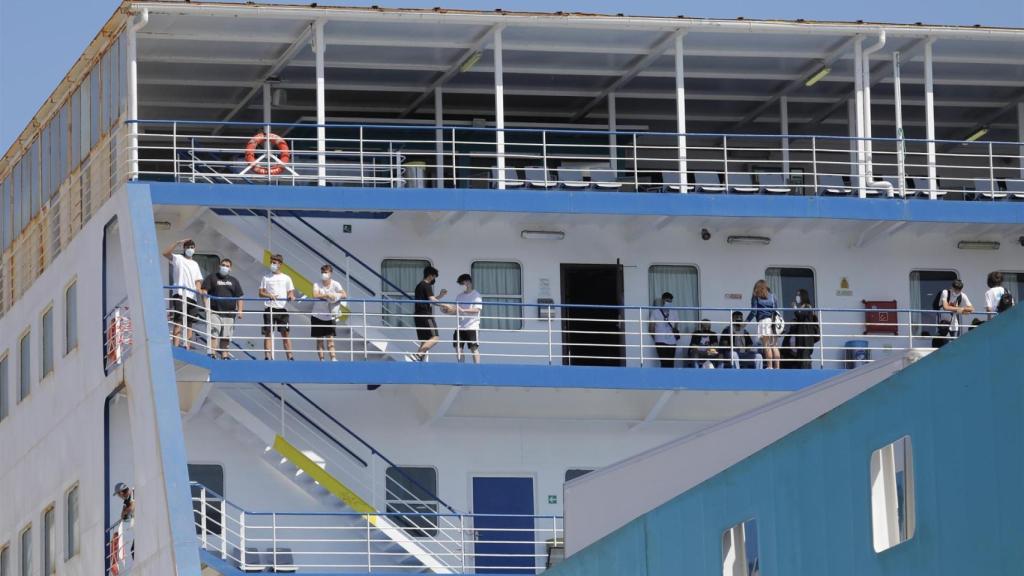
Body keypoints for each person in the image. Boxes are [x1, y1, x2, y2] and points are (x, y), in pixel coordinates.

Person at [163, 238, 203, 349]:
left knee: (190, 323)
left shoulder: (195, 264)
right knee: (178, 321)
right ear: (184, 248)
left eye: (192, 247)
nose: (190, 249)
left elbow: (198, 280)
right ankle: (175, 346)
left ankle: (187, 346)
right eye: (188, 247)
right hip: (180, 294)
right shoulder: (178, 258)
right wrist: (177, 242)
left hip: (192, 297)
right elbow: (165, 253)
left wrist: (199, 290)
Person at [200, 258, 244, 359]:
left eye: (227, 266)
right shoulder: (212, 277)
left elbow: (239, 296)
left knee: (226, 336)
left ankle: (225, 356)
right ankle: (212, 354)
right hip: (215, 311)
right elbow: (204, 291)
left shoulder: (234, 281)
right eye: (223, 265)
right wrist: (206, 306)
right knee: (214, 333)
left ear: (230, 269)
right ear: (220, 266)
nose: (225, 267)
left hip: (229, 313)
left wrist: (240, 310)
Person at [258, 254, 296, 360]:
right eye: (271, 262)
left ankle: (290, 357)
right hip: (269, 308)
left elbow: (291, 292)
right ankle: (267, 356)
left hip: (282, 309)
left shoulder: (286, 278)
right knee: (268, 333)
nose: (272, 264)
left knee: (285, 333)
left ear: (280, 264)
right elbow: (260, 293)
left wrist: (291, 296)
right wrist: (269, 295)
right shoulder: (266, 277)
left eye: (274, 263)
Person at [412, 266, 449, 361]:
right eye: (434, 277)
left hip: (418, 316)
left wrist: (440, 296)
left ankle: (418, 360)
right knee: (435, 337)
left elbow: (428, 299)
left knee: (425, 341)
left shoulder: (419, 285)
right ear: (430, 275)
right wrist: (444, 305)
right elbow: (432, 300)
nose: (434, 279)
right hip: (425, 315)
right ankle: (418, 355)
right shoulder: (426, 285)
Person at [312, 264, 347, 362]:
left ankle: (333, 359)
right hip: (317, 315)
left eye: (326, 272)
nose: (324, 274)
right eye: (322, 272)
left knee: (330, 340)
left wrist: (334, 295)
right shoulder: (317, 284)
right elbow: (315, 295)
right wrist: (326, 295)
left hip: (329, 317)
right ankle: (322, 360)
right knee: (319, 340)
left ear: (330, 273)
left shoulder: (336, 284)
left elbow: (344, 294)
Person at [746, 280, 781, 369]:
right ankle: (777, 368)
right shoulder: (773, 296)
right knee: (774, 346)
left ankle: (770, 366)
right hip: (773, 322)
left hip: (764, 322)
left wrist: (745, 322)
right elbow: (776, 310)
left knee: (767, 345)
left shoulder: (756, 296)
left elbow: (754, 312)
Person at [450, 273, 483, 364]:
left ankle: (477, 369)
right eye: (461, 284)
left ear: (468, 282)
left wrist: (463, 310)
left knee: (473, 348)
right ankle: (462, 368)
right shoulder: (459, 296)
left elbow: (477, 309)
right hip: (460, 326)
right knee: (458, 348)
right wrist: (448, 310)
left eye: (462, 283)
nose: (462, 285)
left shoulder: (476, 295)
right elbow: (456, 310)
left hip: (472, 326)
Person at [937, 278, 974, 347]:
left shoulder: (962, 295)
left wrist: (961, 310)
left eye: (959, 290)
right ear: (952, 287)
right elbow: (945, 307)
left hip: (954, 324)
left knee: (954, 345)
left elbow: (971, 308)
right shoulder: (945, 292)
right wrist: (960, 309)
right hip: (944, 323)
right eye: (955, 289)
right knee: (946, 345)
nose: (957, 292)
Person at [788, 289, 819, 369]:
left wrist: (795, 309)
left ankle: (806, 372)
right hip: (801, 337)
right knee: (800, 356)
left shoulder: (807, 306)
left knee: (805, 356)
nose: (797, 297)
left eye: (798, 295)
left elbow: (801, 316)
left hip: (806, 337)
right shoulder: (801, 307)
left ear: (803, 296)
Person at [647, 292, 680, 368]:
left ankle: (666, 379)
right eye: (667, 301)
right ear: (662, 300)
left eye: (670, 302)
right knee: (668, 363)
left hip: (666, 341)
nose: (668, 303)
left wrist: (657, 338)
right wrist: (657, 338)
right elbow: (651, 329)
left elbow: (651, 329)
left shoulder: (673, 312)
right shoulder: (655, 312)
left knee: (665, 363)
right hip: (663, 340)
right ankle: (667, 379)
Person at [113, 482, 135, 559]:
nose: (119, 497)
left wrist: (126, 512)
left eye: (118, 495)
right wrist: (125, 513)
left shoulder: (133, 493)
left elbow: (132, 507)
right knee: (133, 550)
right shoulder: (126, 501)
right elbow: (123, 516)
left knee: (134, 550)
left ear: (121, 492)